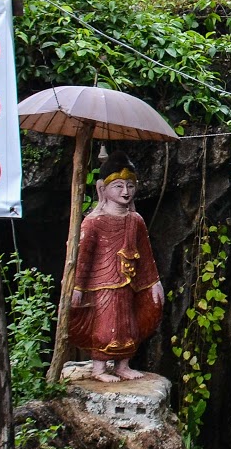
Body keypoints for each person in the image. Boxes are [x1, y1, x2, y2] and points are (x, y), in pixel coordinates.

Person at [68, 153, 164, 382]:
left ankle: (123, 365)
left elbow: (146, 255)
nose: (125, 191)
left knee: (128, 324)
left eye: (130, 186)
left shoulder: (136, 220)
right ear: (103, 188)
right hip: (102, 282)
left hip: (128, 281)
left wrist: (154, 282)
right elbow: (83, 257)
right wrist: (78, 286)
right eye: (119, 186)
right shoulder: (93, 221)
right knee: (106, 324)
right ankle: (99, 368)